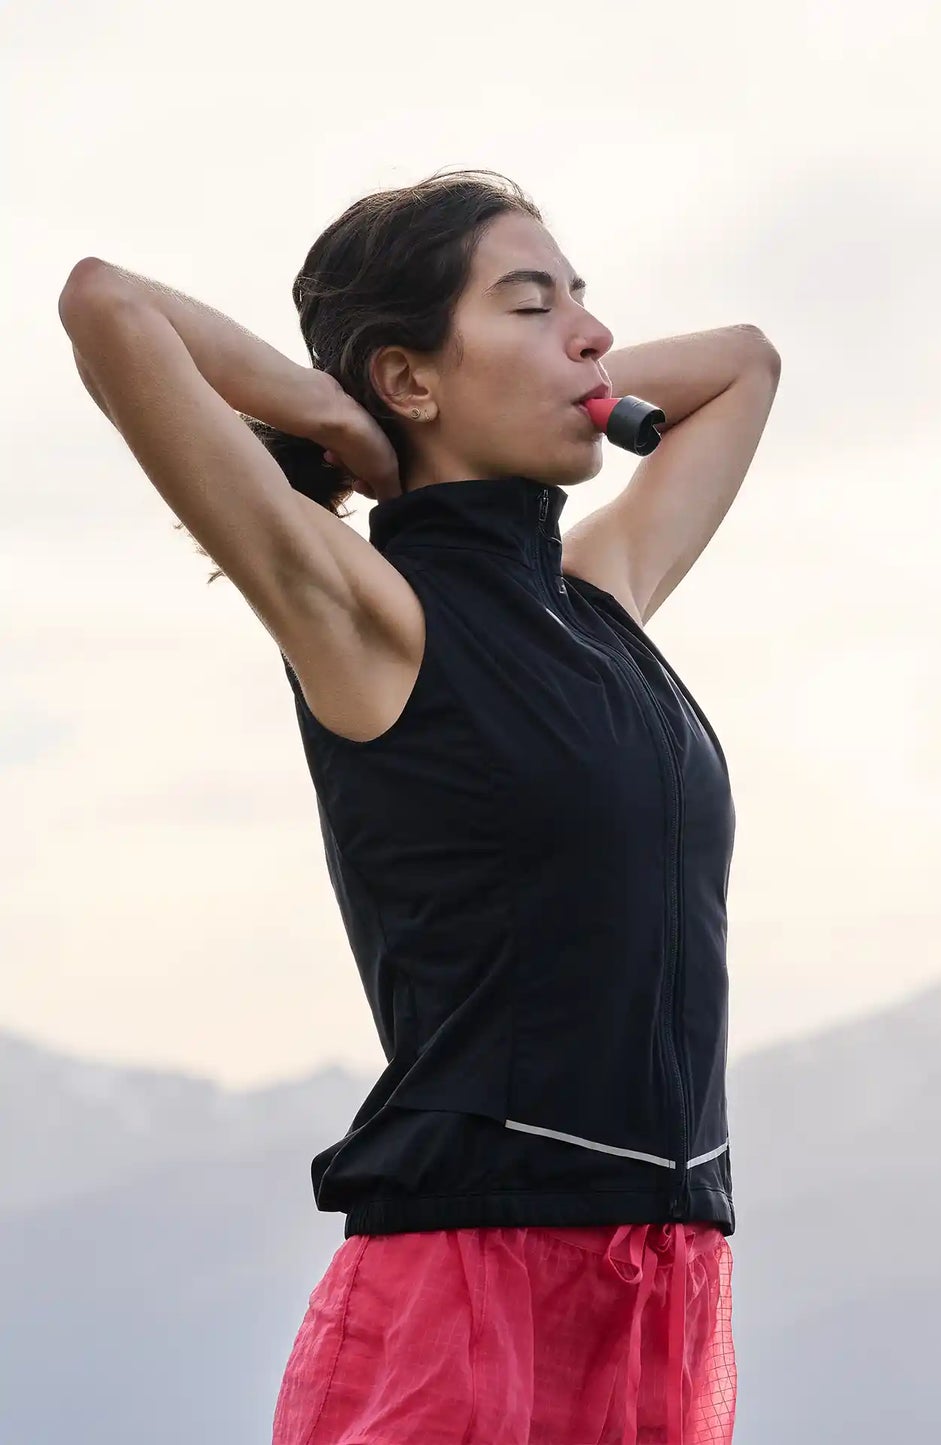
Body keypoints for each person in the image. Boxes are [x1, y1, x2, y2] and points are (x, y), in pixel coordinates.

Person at [58, 166, 782, 1444]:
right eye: (526, 303)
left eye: (583, 301)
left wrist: (533, 376)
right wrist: (343, 424)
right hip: (470, 1283)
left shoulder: (596, 600)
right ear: (406, 373)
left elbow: (745, 364)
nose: (591, 333)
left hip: (661, 1280)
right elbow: (107, 306)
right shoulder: (378, 619)